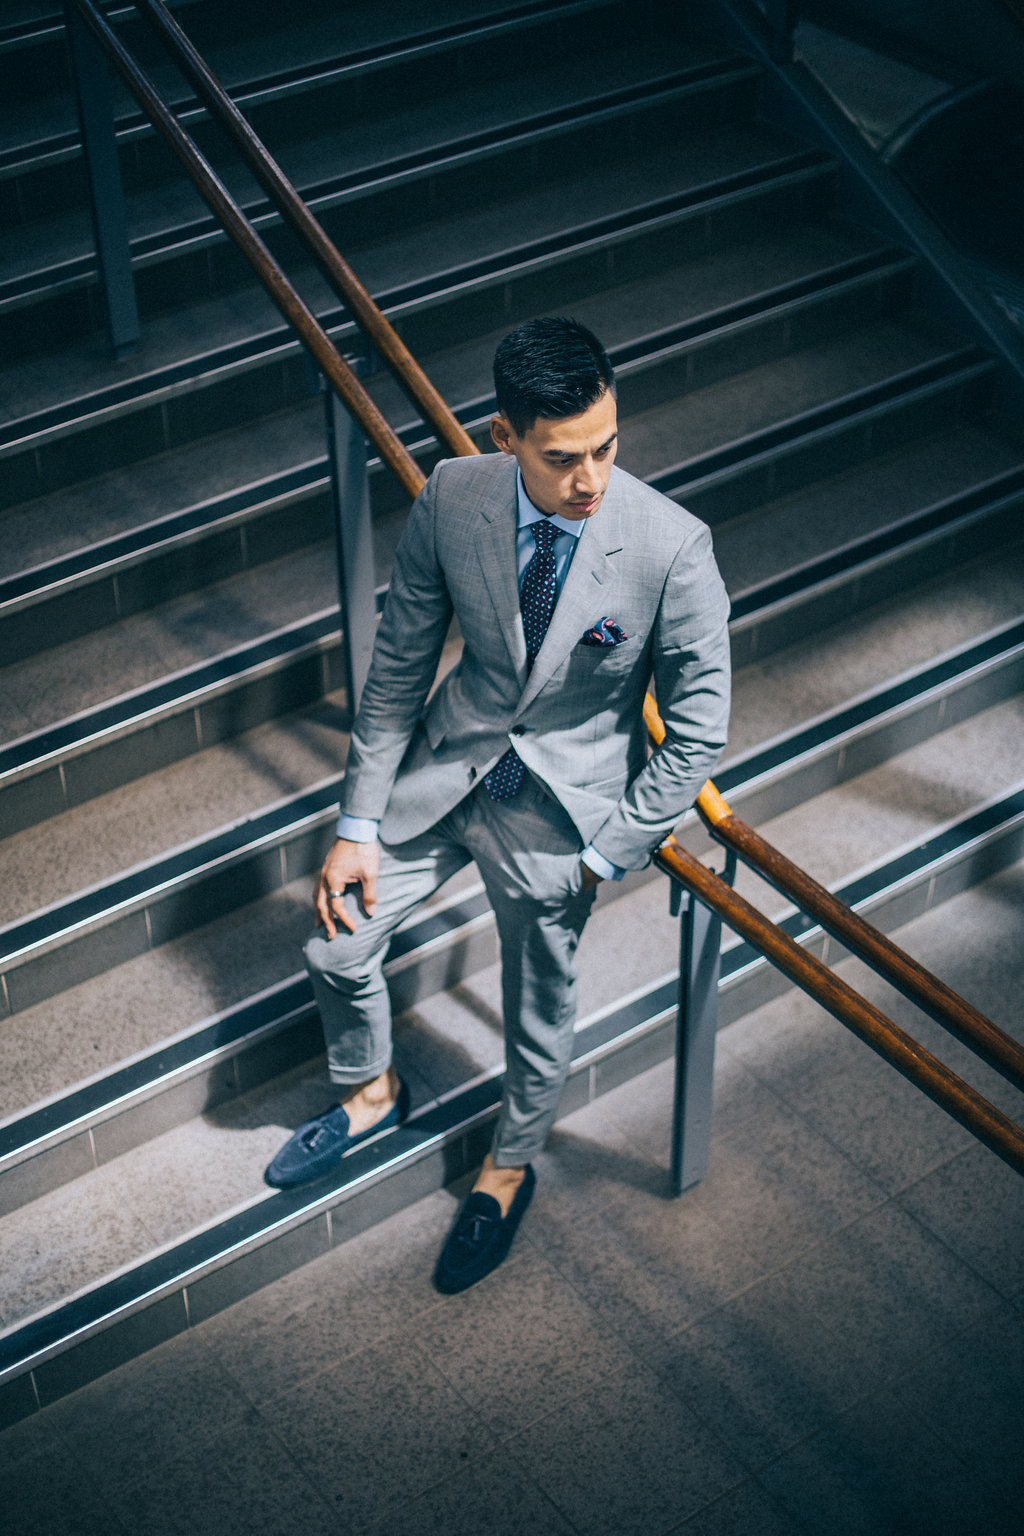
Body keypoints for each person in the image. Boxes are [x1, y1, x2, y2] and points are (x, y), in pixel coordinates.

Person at [265, 317, 731, 1292]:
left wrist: (608, 853)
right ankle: (371, 1090)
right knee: (333, 943)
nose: (592, 479)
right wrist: (354, 826)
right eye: (563, 457)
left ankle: (508, 1167)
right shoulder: (451, 496)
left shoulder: (670, 547)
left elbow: (695, 731)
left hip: (560, 815)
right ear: (503, 434)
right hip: (452, 765)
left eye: (607, 446)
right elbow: (396, 669)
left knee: (537, 1006)